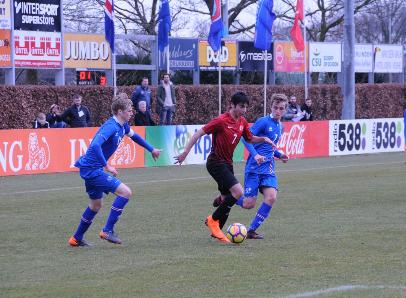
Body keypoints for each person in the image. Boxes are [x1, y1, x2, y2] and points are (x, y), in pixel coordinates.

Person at [174, 92, 275, 244]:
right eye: (242, 106)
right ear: (232, 105)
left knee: (229, 198)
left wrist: (263, 139)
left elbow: (249, 139)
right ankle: (213, 220)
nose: (244, 110)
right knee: (238, 192)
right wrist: (185, 152)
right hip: (216, 163)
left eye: (246, 107)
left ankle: (217, 229)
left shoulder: (242, 122)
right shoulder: (221, 121)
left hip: (228, 164)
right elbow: (198, 134)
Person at [68, 93, 161, 247]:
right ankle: (107, 230)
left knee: (95, 205)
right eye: (129, 110)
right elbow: (95, 145)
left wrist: (151, 149)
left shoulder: (122, 125)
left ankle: (76, 238)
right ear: (119, 111)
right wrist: (107, 165)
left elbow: (135, 136)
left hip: (90, 168)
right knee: (126, 192)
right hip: (92, 170)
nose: (131, 112)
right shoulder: (111, 126)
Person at [234, 93, 289, 239]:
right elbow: (245, 139)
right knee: (248, 204)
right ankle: (228, 196)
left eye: (281, 108)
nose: (278, 111)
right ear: (271, 107)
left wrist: (279, 155)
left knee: (271, 197)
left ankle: (251, 230)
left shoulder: (280, 126)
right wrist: (256, 155)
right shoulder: (263, 122)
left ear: (285, 110)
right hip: (254, 167)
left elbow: (270, 147)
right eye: (275, 107)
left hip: (269, 169)